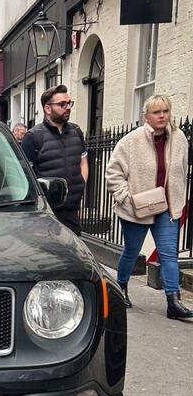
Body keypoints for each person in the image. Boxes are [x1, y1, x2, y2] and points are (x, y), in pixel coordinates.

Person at [105, 94, 192, 320]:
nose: (162, 115)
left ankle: (173, 302)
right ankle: (121, 288)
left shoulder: (179, 139)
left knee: (169, 255)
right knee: (132, 252)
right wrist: (127, 198)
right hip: (137, 208)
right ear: (146, 116)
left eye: (165, 111)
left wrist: (177, 199)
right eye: (156, 112)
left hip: (166, 208)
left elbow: (182, 172)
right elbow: (113, 174)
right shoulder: (130, 141)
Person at [21, 85, 89, 235]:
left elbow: (83, 162)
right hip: (46, 214)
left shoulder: (76, 131)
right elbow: (26, 177)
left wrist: (80, 185)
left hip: (72, 210)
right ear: (47, 108)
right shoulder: (33, 136)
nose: (68, 107)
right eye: (62, 104)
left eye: (69, 103)